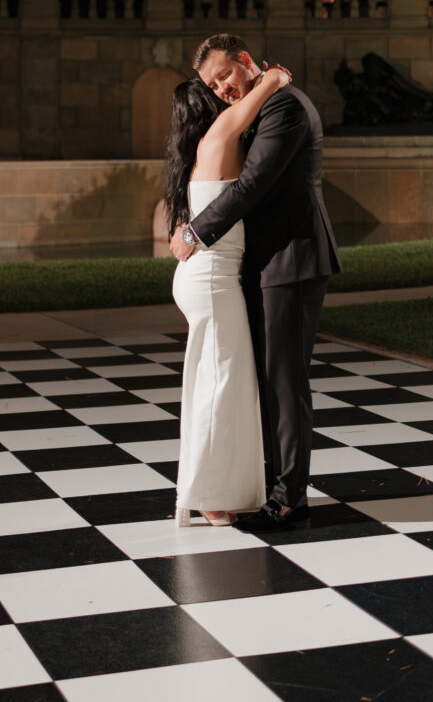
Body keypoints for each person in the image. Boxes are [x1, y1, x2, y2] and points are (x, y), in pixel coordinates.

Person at [170, 34, 341, 532]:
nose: (222, 87)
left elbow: (251, 186)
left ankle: (290, 500)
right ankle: (270, 486)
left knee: (285, 382)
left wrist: (197, 231)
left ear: (246, 61)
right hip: (266, 263)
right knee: (268, 380)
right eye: (212, 84)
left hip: (292, 260)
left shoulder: (284, 106)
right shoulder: (262, 102)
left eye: (225, 74)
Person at [165, 64, 292, 526]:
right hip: (213, 281)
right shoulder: (219, 133)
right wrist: (273, 78)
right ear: (208, 108)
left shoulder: (206, 147)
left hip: (207, 279)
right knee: (220, 388)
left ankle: (208, 488)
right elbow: (251, 103)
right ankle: (208, 495)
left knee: (215, 386)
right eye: (214, 89)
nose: (224, 94)